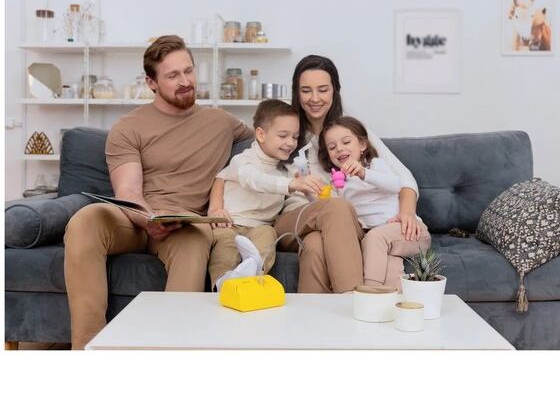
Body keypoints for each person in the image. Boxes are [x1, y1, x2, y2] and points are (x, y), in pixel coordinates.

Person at [63, 35, 254, 349]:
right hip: (136, 218)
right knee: (86, 220)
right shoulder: (129, 127)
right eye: (173, 75)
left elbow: (270, 140)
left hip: (185, 223)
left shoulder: (221, 122)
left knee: (194, 240)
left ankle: (170, 354)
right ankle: (88, 351)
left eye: (188, 71)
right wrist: (148, 219)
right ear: (151, 83)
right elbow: (128, 190)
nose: (185, 81)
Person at [274, 55, 423, 293]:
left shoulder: (349, 132)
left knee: (315, 245)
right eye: (306, 90)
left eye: (323, 89)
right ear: (296, 93)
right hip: (296, 219)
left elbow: (403, 179)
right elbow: (253, 153)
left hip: (335, 226)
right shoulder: (285, 131)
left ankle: (312, 314)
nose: (315, 98)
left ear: (335, 90)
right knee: (336, 208)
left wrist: (406, 214)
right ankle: (354, 300)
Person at [207, 99, 323, 291]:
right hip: (230, 223)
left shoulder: (286, 170)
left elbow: (302, 200)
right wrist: (215, 208)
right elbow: (253, 179)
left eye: (295, 137)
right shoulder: (243, 160)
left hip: (261, 226)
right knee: (225, 247)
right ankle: (222, 281)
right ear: (261, 134)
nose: (290, 143)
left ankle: (253, 272)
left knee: (268, 236)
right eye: (283, 135)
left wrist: (305, 188)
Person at [318, 116, 431, 290]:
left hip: (409, 231)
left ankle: (369, 291)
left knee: (374, 238)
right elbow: (333, 210)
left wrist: (364, 173)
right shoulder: (340, 183)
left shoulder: (375, 166)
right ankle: (395, 299)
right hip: (383, 242)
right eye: (332, 147)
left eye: (346, 142)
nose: (339, 148)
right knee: (389, 266)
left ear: (363, 145)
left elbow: (396, 185)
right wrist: (312, 191)